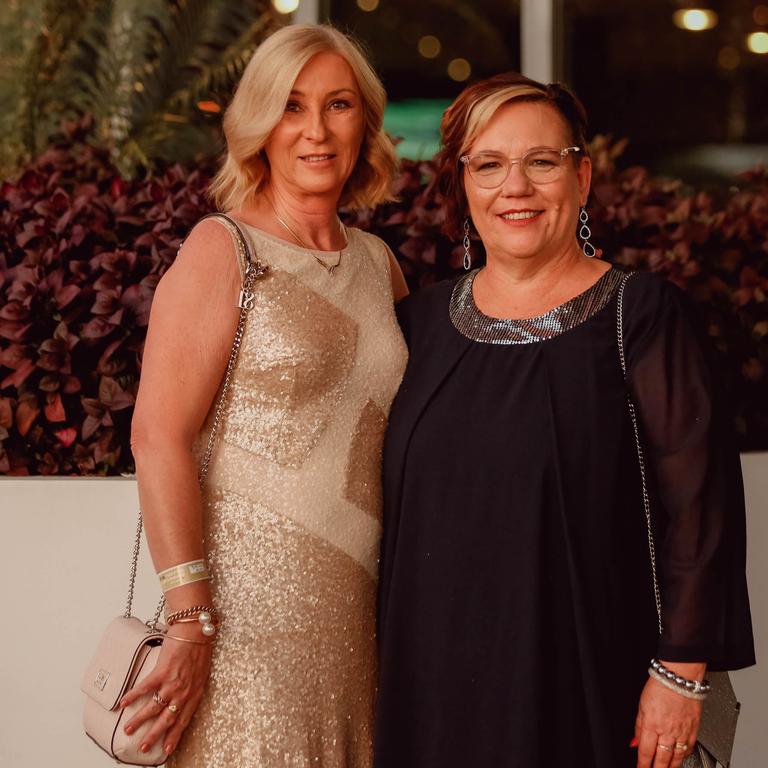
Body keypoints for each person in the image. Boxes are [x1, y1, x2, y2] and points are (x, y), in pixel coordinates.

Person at [374, 72, 754, 768]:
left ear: (581, 178)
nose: (513, 187)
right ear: (462, 185)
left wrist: (681, 673)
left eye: (540, 162)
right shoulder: (418, 324)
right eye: (488, 164)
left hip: (590, 680)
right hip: (431, 694)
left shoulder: (639, 315)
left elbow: (702, 509)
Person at [121, 24, 408, 768]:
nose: (315, 130)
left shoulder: (381, 265)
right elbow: (158, 436)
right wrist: (188, 621)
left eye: (338, 104)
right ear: (257, 127)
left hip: (362, 616)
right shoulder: (223, 249)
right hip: (241, 624)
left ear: (364, 122)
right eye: (290, 107)